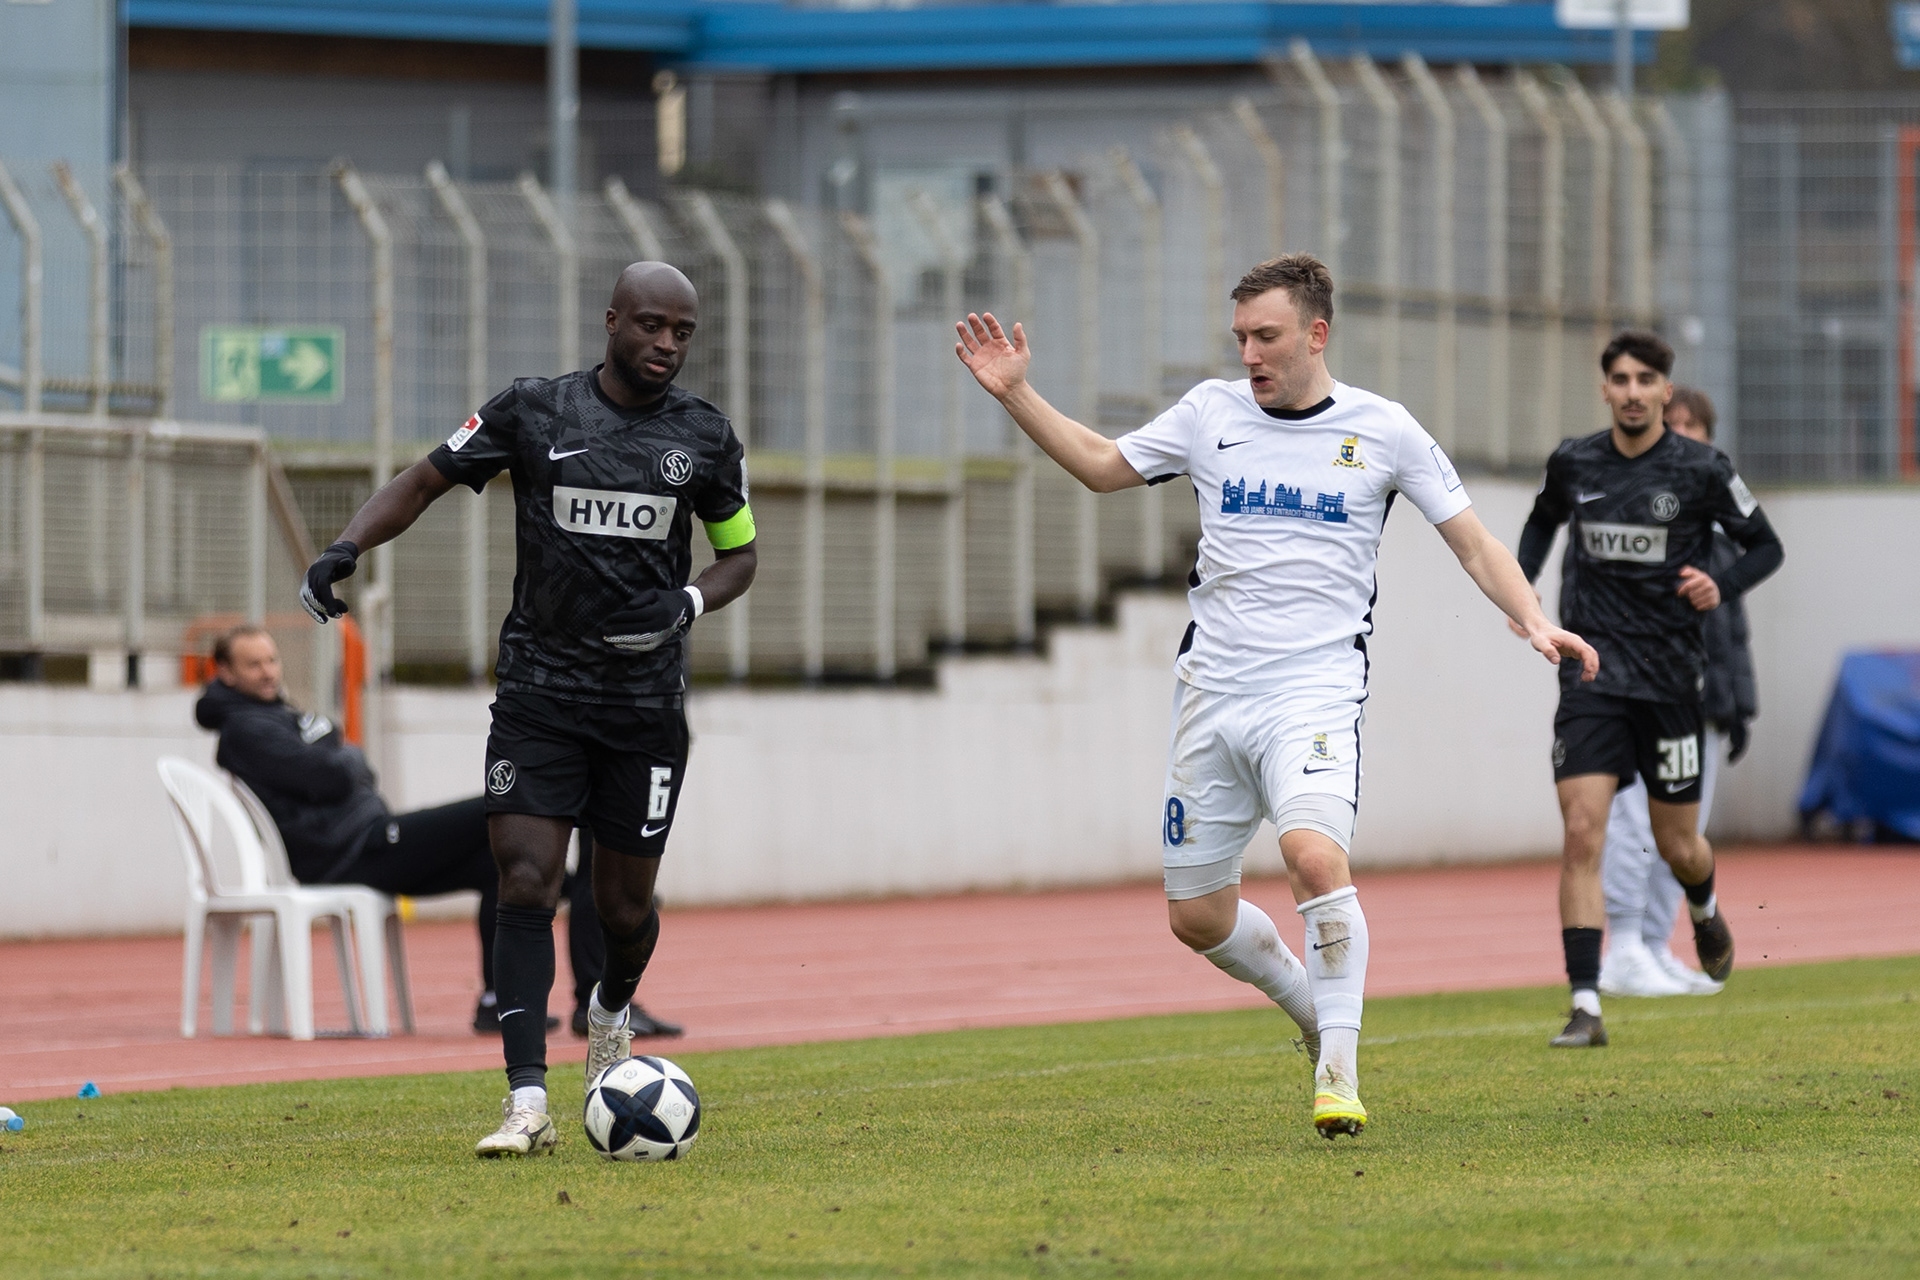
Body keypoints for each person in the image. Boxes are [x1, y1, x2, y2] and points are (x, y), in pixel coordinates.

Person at [954, 254, 1597, 1139]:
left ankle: (1339, 1074)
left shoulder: (1384, 429)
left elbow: (1476, 543)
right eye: (1241, 338)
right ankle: (1307, 1008)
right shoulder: (1208, 414)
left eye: (1267, 336)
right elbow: (1102, 466)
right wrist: (1016, 394)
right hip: (1211, 697)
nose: (1250, 354)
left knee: (1314, 857)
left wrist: (1533, 619)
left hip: (1315, 693)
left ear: (1316, 334)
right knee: (1196, 918)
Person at [299, 262, 756, 1157]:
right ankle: (526, 1101)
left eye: (683, 332)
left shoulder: (704, 437)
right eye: (652, 325)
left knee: (623, 909)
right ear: (612, 320)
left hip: (643, 708)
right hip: (540, 696)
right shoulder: (534, 410)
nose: (667, 344)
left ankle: (610, 1011)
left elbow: (738, 556)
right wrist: (345, 546)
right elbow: (423, 480)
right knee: (526, 880)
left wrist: (687, 602)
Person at [195, 625, 684, 1038]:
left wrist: (342, 756)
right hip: (353, 851)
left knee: (502, 866)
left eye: (271, 660)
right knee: (502, 808)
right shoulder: (244, 729)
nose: (268, 672)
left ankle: (499, 1000)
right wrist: (343, 754)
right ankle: (601, 881)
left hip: (369, 840)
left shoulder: (275, 717)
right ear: (226, 673)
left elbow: (347, 765)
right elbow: (340, 773)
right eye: (253, 665)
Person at [1517, 333, 1783, 1048]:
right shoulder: (1575, 462)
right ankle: (1585, 1005)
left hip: (1670, 684)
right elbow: (1542, 522)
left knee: (1678, 845)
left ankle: (1704, 907)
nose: (1632, 391)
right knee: (1583, 833)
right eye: (1621, 378)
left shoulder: (1701, 469)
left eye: (1646, 379)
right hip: (1592, 674)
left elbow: (1767, 545)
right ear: (1605, 388)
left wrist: (1720, 583)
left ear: (1665, 390)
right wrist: (1526, 595)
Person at [1596, 387, 1764, 998]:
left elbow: (1729, 631)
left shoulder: (1717, 523)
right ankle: (1623, 948)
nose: (1683, 436)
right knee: (1635, 824)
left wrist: (1736, 707)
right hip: (1643, 698)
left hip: (1704, 706)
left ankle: (1653, 945)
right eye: (1674, 426)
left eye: (1694, 426)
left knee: (1683, 839)